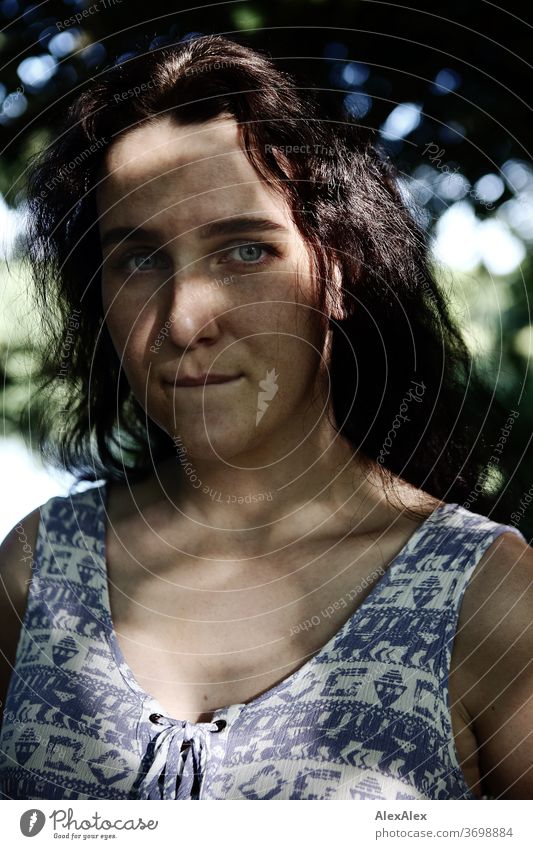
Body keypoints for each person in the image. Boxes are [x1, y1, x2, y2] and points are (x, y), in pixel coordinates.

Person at [0, 34, 532, 801]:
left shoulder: (487, 598)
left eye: (243, 251)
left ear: (336, 274)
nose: (184, 321)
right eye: (140, 259)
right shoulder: (36, 572)